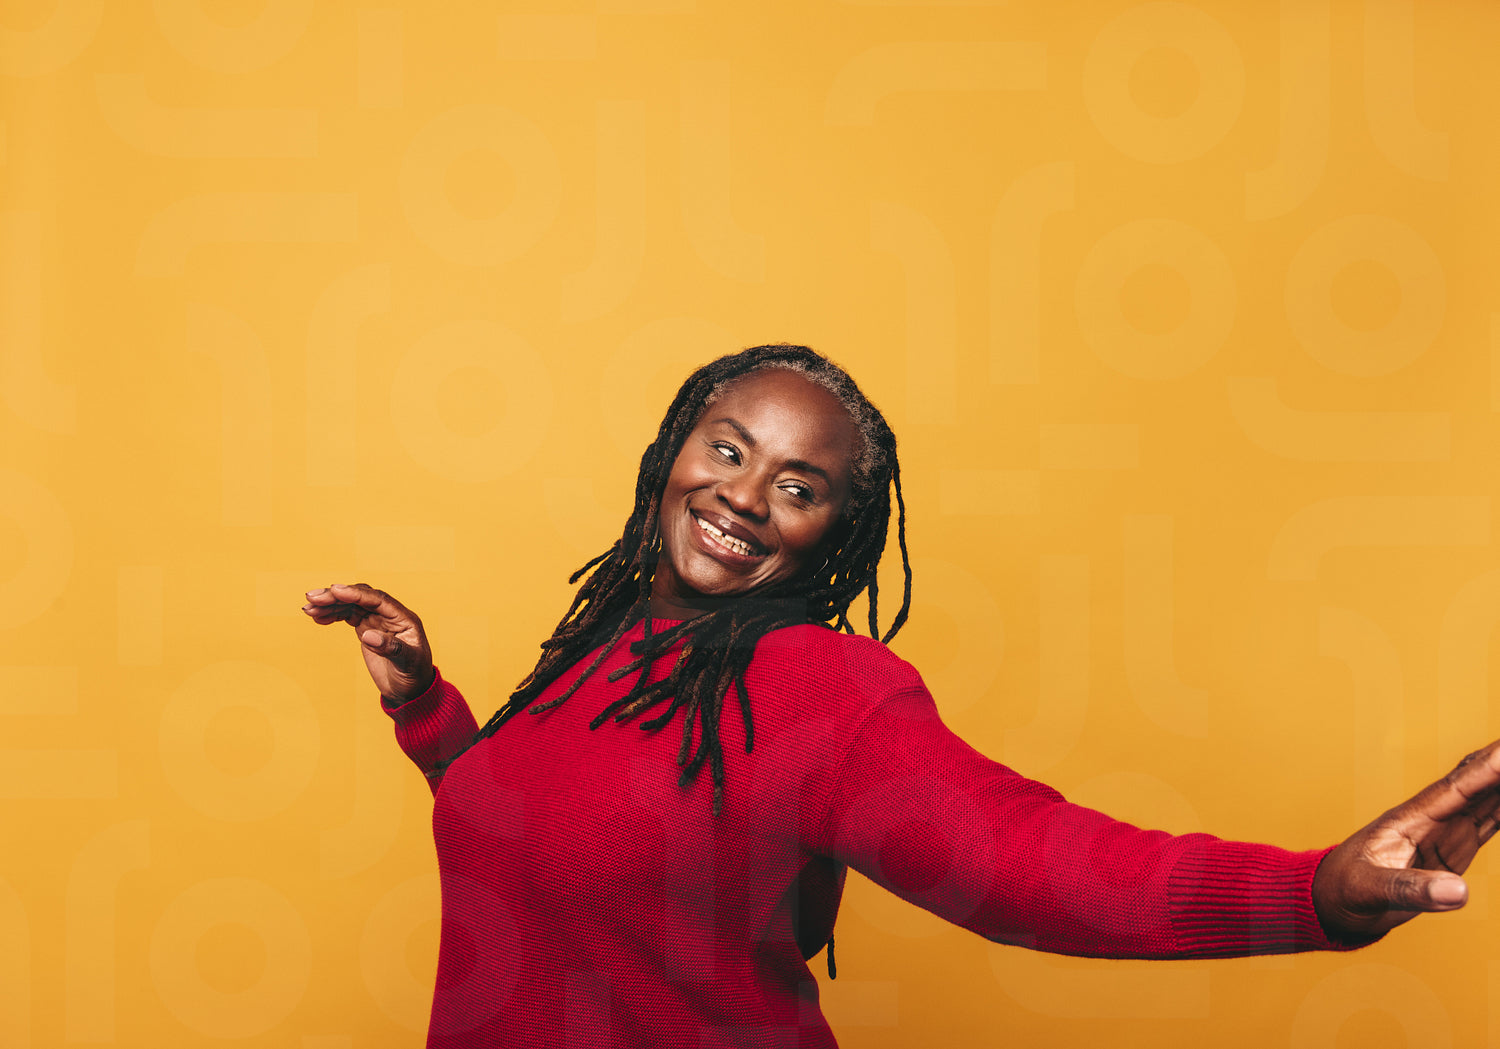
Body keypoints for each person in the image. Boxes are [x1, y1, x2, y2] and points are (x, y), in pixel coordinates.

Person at [303, 344, 1500, 1049]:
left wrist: (1313, 890)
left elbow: (1025, 862)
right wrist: (429, 712)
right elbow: (537, 838)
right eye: (728, 448)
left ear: (837, 533)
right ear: (672, 450)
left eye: (800, 486)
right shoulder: (608, 638)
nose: (744, 496)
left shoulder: (825, 691)